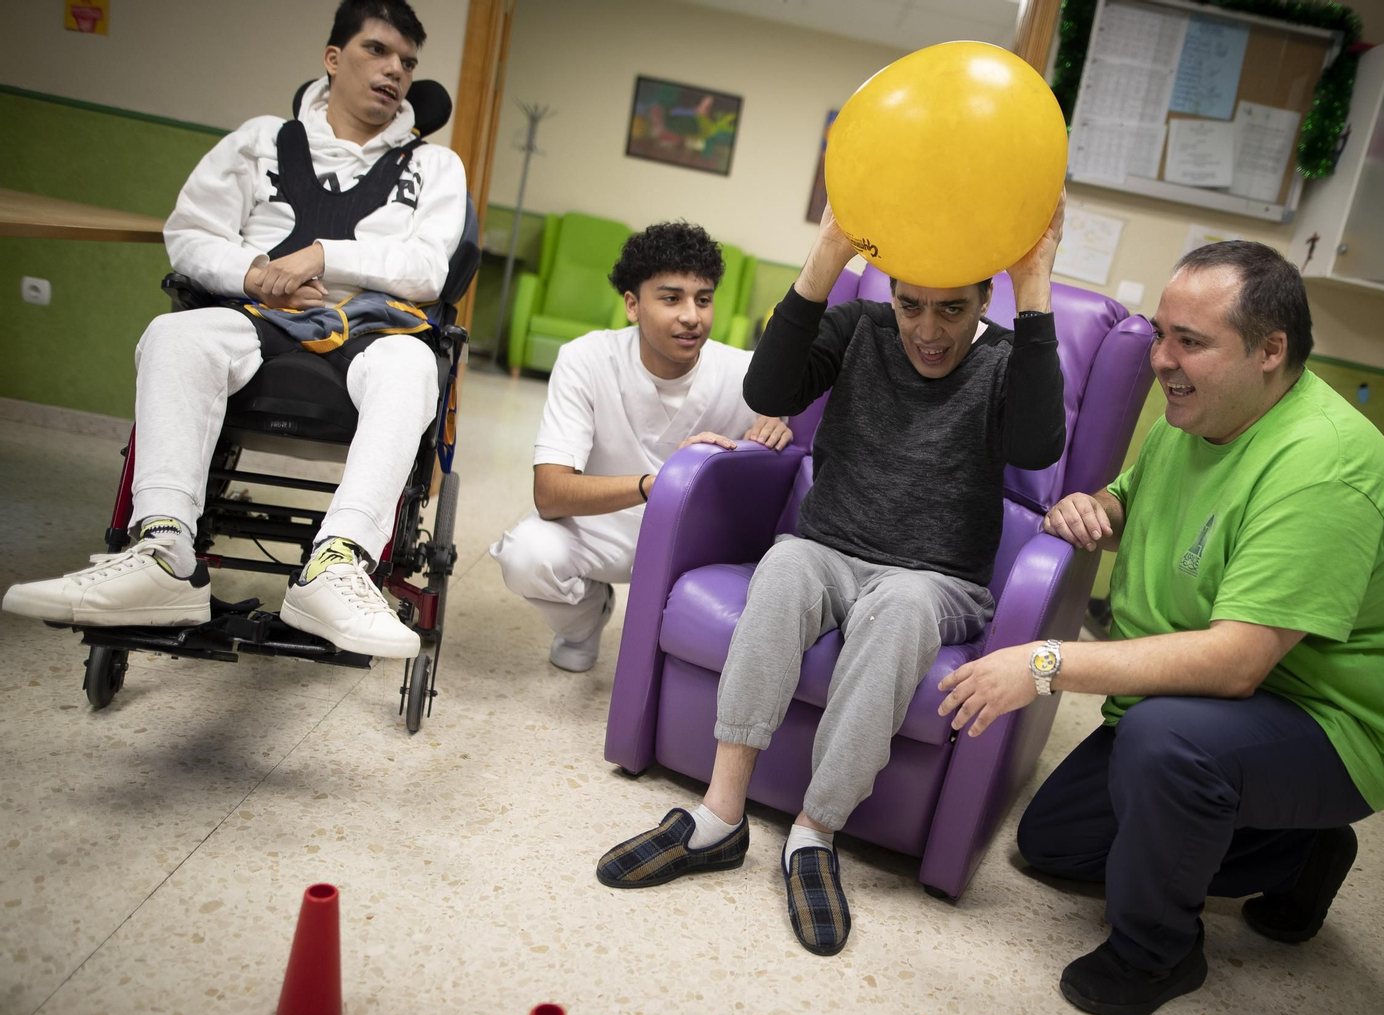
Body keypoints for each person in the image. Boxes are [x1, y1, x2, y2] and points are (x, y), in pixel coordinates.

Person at [936, 241, 1384, 1015]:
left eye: (1191, 341)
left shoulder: (1325, 468)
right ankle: (1298, 848)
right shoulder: (1197, 412)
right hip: (1220, 703)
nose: (1162, 359)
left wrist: (1042, 663)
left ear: (1272, 351)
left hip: (1329, 721)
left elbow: (1237, 663)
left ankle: (1156, 954)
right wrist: (1095, 507)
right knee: (1055, 844)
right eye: (1162, 334)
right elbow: (1134, 497)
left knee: (1167, 748)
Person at [595, 197, 1069, 956]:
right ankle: (720, 817)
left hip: (934, 578)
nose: (927, 330)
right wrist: (829, 253)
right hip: (826, 549)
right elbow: (770, 393)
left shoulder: (1009, 358)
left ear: (985, 299)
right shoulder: (860, 330)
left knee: (903, 609)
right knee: (782, 564)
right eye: (910, 305)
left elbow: (1040, 447)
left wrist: (1035, 282)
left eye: (952, 310)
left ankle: (815, 836)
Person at [3, 0, 465, 660]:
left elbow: (426, 267)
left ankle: (335, 565)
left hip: (371, 331)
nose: (396, 71)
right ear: (333, 58)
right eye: (377, 51)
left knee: (415, 367)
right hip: (257, 320)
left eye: (408, 62)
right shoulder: (259, 141)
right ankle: (163, 552)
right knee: (174, 337)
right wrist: (252, 273)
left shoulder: (435, 168)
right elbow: (189, 235)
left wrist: (325, 256)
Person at [489, 222, 792, 672]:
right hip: (600, 526)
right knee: (525, 556)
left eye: (703, 299)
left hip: (694, 541)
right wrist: (659, 483)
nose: (692, 316)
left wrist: (780, 418)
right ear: (632, 305)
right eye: (671, 299)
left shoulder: (748, 375)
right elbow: (550, 494)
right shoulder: (586, 360)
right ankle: (586, 618)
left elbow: (793, 421)